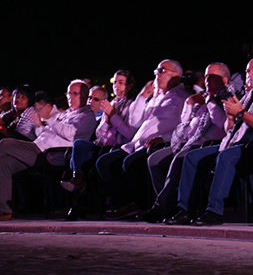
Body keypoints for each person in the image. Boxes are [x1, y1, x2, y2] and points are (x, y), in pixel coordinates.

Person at [166, 57, 253, 226]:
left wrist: (241, 113)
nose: (249, 75)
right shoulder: (248, 95)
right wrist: (231, 117)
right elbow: (228, 129)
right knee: (191, 157)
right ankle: (185, 210)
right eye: (247, 71)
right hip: (236, 143)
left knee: (227, 156)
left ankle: (214, 211)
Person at [138, 62, 234, 223]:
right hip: (189, 142)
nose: (207, 81)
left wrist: (209, 101)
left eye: (211, 77)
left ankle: (164, 208)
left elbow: (222, 123)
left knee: (180, 159)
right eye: (206, 77)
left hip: (210, 144)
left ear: (224, 80)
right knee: (154, 160)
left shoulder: (227, 97)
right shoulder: (203, 97)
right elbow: (187, 124)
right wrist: (190, 104)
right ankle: (170, 204)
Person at [95, 60, 190, 219]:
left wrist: (164, 138)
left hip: (159, 144)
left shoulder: (182, 96)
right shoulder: (157, 97)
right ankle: (128, 204)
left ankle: (143, 206)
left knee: (130, 162)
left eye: (161, 71)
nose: (156, 75)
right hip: (136, 144)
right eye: (156, 71)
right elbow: (136, 123)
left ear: (176, 75)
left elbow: (185, 124)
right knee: (104, 162)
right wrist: (142, 97)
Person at [0, 80, 97, 221]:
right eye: (69, 93)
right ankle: (4, 210)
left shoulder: (86, 116)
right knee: (4, 163)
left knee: (4, 144)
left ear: (84, 95)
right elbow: (45, 134)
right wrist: (42, 125)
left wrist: (50, 121)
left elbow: (72, 134)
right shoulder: (67, 114)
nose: (70, 97)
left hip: (50, 155)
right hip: (37, 149)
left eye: (75, 93)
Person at [59, 70, 139, 219]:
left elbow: (129, 134)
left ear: (129, 86)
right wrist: (107, 119)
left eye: (121, 83)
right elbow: (99, 133)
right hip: (102, 144)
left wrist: (113, 116)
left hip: (118, 146)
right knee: (78, 145)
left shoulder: (132, 105)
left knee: (92, 161)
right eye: (114, 82)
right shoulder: (112, 103)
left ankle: (80, 202)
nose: (116, 86)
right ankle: (77, 178)